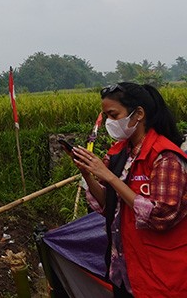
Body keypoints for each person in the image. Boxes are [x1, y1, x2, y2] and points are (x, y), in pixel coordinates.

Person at [71, 82, 187, 298]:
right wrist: (87, 174)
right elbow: (108, 205)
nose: (110, 122)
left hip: (161, 275)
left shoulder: (165, 157)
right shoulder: (119, 152)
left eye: (114, 115)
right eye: (106, 116)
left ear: (139, 114)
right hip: (125, 270)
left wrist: (110, 177)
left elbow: (161, 215)